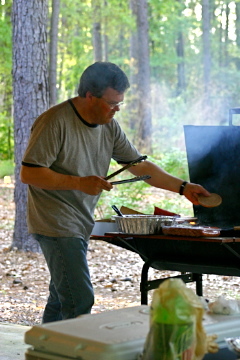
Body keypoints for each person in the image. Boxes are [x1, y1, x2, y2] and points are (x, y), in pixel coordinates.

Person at [21, 61, 210, 323]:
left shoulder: (108, 124)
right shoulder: (54, 122)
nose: (116, 109)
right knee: (79, 298)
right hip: (54, 221)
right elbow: (29, 173)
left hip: (80, 218)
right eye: (111, 103)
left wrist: (183, 187)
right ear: (89, 96)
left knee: (61, 296)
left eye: (120, 103)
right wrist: (79, 182)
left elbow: (140, 166)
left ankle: (46, 348)